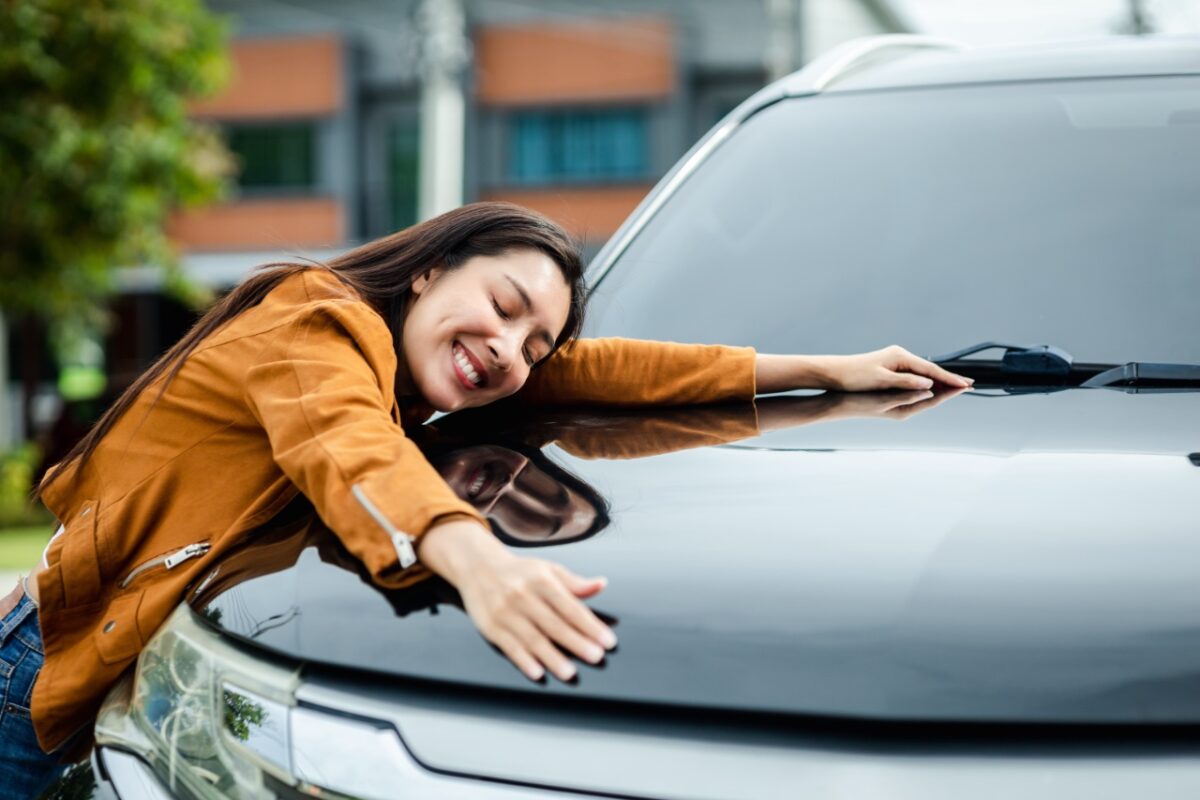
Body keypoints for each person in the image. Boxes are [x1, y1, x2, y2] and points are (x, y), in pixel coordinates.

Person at [0, 201, 971, 794]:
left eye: (534, 341)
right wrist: (479, 561)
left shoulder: (423, 372)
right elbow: (348, 446)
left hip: (108, 656)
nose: (512, 348)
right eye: (504, 305)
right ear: (427, 268)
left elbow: (616, 371)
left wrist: (831, 368)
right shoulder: (311, 316)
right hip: (40, 667)